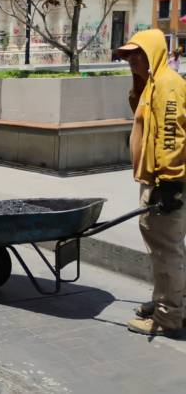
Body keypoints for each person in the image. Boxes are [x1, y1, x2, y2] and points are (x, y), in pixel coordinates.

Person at [117, 29, 186, 336]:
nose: (132, 60)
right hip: (157, 180)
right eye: (128, 56)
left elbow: (171, 136)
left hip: (165, 183)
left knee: (165, 250)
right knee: (166, 248)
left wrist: (169, 183)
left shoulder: (168, 86)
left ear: (154, 53)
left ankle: (168, 316)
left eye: (138, 54)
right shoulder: (153, 85)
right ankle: (168, 301)